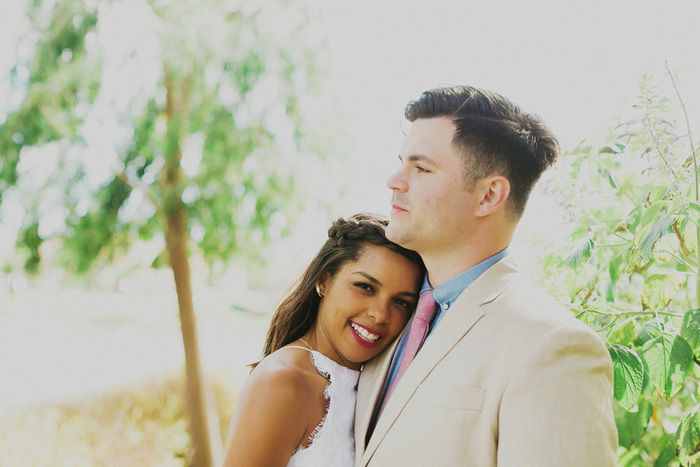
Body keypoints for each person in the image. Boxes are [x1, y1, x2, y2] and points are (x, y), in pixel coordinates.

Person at [354, 86, 618, 466]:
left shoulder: (553, 347)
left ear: (489, 196)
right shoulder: (388, 316)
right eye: (401, 162)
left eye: (422, 168)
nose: (394, 180)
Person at [223, 213, 424, 467]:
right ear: (324, 280)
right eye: (365, 287)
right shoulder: (284, 380)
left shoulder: (373, 384)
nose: (380, 314)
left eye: (400, 302)